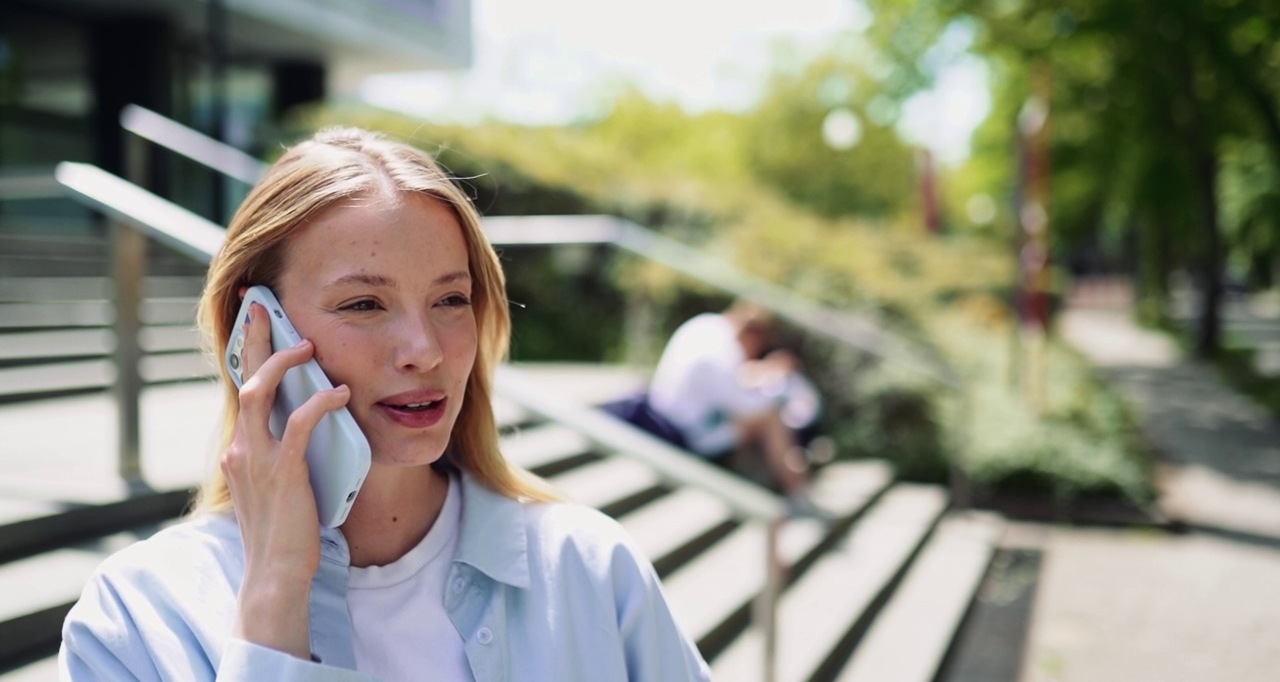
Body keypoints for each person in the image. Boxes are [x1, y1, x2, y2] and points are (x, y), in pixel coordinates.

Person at [58, 128, 711, 681]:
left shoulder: (590, 569)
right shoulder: (138, 614)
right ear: (257, 327)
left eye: (451, 300)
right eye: (365, 304)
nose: (424, 350)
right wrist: (275, 596)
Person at [647, 301, 819, 509]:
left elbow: (725, 385)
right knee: (771, 419)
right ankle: (796, 489)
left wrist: (759, 372)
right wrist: (772, 376)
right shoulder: (723, 350)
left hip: (669, 415)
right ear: (753, 336)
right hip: (686, 432)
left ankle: (781, 483)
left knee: (761, 419)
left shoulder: (707, 325)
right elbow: (746, 405)